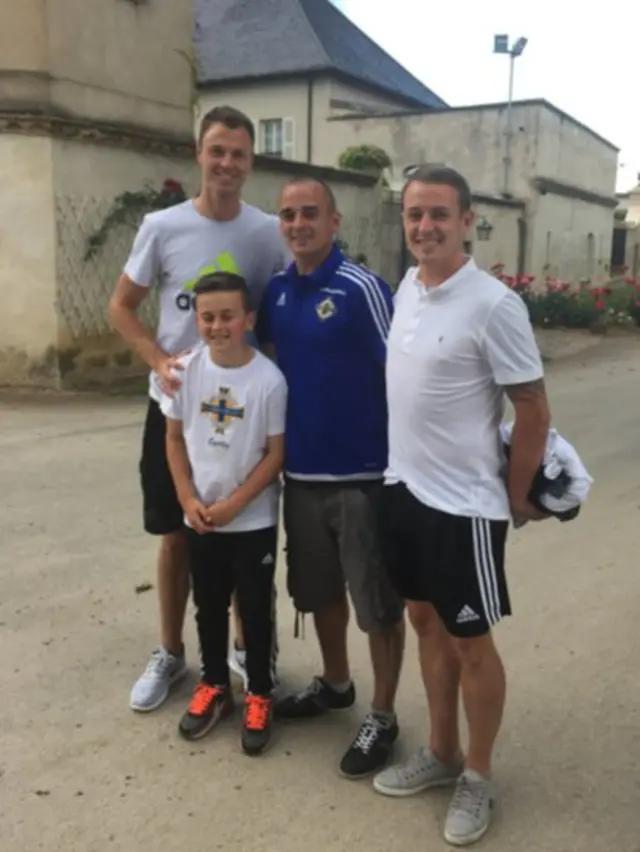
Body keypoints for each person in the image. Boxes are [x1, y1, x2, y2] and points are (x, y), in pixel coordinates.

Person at [372, 165, 550, 846]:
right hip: (404, 490)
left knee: (471, 640)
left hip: (464, 506)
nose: (425, 227)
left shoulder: (494, 304)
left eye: (439, 214)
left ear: (467, 220)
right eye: (415, 215)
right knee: (424, 621)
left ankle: (477, 775)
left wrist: (513, 497)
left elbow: (531, 406)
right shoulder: (407, 287)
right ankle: (442, 752)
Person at [108, 105, 288, 712]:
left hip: (243, 413)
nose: (228, 163)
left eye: (239, 153)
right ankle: (169, 652)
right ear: (198, 153)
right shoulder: (163, 226)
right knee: (177, 535)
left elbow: (280, 311)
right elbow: (121, 308)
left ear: (250, 162)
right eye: (218, 151)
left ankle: (241, 649)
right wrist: (158, 361)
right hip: (178, 410)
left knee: (238, 534)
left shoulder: (266, 233)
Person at [256, 177, 406, 779]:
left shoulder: (362, 288)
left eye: (310, 213)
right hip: (302, 475)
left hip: (363, 475)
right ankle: (336, 684)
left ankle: (384, 714)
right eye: (288, 215)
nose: (298, 224)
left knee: (376, 604)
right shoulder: (276, 293)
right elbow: (263, 365)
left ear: (335, 221)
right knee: (318, 593)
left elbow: (402, 372)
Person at [160, 271, 286, 755]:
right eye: (207, 317)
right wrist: (187, 498)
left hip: (250, 519)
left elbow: (275, 455)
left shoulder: (268, 381)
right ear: (197, 319)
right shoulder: (188, 369)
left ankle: (258, 692)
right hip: (202, 517)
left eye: (227, 316)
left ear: (248, 319)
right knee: (208, 604)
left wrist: (237, 502)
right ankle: (214, 684)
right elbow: (174, 438)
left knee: (253, 608)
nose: (217, 326)